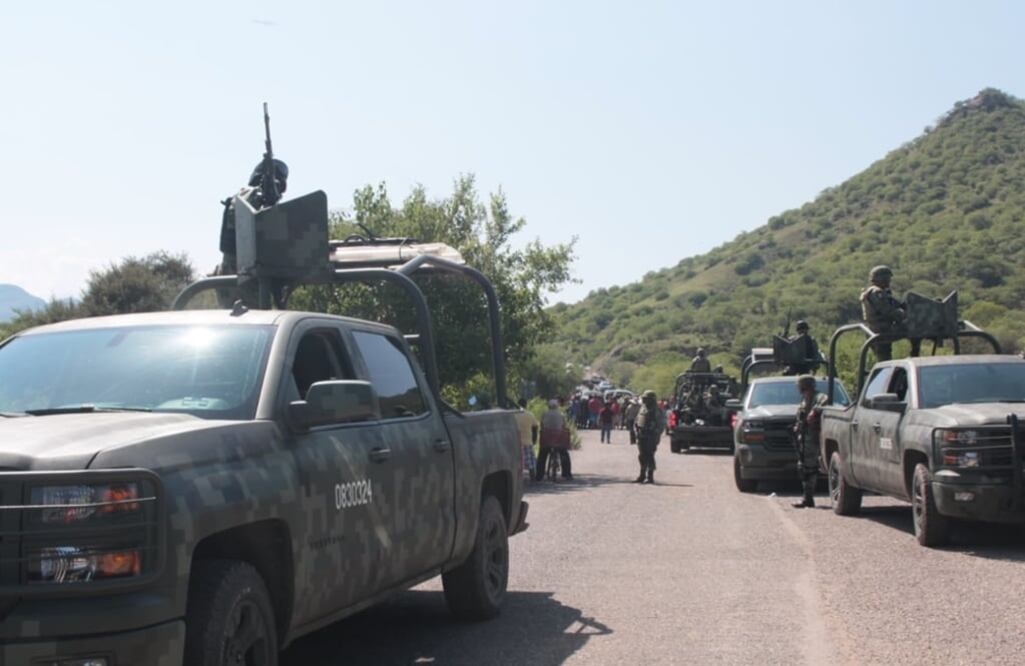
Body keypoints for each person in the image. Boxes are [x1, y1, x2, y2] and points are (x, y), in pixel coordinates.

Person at [860, 265, 920, 361]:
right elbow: (888, 311)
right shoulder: (877, 293)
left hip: (878, 329)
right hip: (881, 330)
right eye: (887, 278)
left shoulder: (878, 292)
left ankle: (913, 356)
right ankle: (914, 356)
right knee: (914, 329)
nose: (889, 281)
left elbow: (897, 304)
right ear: (881, 278)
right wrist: (904, 316)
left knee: (884, 357)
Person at [792, 375, 827, 508]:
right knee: (804, 468)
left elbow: (825, 401)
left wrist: (815, 411)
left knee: (810, 469)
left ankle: (808, 498)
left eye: (799, 386)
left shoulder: (818, 397)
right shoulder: (804, 400)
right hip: (804, 438)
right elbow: (800, 417)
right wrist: (797, 426)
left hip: (814, 438)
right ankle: (807, 497)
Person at [537, 399, 573, 481]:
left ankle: (539, 475)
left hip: (547, 438)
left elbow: (541, 425)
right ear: (557, 406)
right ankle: (567, 474)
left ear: (548, 406)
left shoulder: (544, 414)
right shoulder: (561, 414)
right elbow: (564, 426)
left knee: (542, 455)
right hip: (558, 439)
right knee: (564, 454)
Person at [634, 390, 664, 484]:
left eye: (646, 399)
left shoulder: (656, 410)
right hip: (641, 435)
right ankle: (642, 475)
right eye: (644, 398)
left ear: (651, 399)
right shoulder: (643, 408)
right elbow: (637, 420)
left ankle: (650, 476)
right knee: (642, 456)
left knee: (650, 456)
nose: (644, 400)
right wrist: (636, 431)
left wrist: (656, 434)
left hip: (651, 436)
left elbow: (661, 424)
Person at [517, 399, 538, 480]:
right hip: (527, 441)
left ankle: (518, 478)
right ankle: (532, 476)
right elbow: (535, 427)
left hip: (516, 442)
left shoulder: (514, 415)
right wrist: (534, 439)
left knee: (518, 461)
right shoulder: (530, 414)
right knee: (530, 461)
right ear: (526, 405)